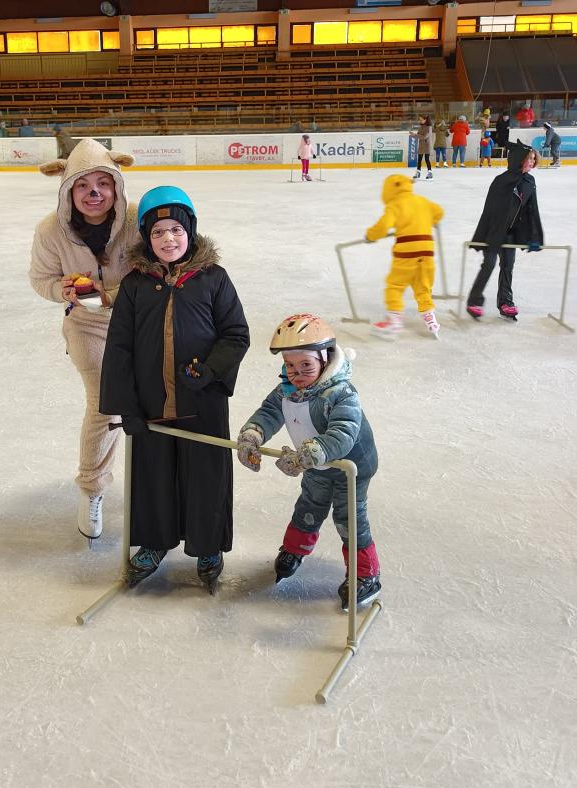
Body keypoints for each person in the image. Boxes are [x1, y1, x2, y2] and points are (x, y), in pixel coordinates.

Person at [99, 186, 250, 592]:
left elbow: (236, 334)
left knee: (206, 475)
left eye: (176, 230)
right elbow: (119, 348)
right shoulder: (135, 285)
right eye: (158, 232)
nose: (168, 239)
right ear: (146, 238)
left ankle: (208, 546)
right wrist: (125, 406)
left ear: (191, 231)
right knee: (153, 474)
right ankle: (154, 541)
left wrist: (211, 371)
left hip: (203, 401)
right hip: (150, 403)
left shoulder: (213, 279)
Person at [29, 138, 139, 541]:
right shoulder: (50, 230)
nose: (94, 193)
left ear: (116, 185)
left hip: (138, 320)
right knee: (105, 401)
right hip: (86, 323)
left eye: (103, 183)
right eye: (83, 185)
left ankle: (157, 482)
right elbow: (40, 279)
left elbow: (159, 264)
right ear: (68, 189)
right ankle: (92, 489)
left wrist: (114, 295)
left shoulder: (135, 219)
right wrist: (61, 290)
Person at [236, 314, 381, 611]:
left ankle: (366, 574)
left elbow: (343, 434)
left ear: (324, 360)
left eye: (306, 365)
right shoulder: (287, 391)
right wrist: (253, 434)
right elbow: (269, 412)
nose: (297, 373)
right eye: (290, 365)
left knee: (348, 519)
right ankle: (295, 549)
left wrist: (307, 456)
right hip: (314, 464)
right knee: (308, 507)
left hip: (349, 468)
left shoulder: (341, 394)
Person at [466, 140, 543, 322]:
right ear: (518, 159)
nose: (532, 162)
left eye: (534, 159)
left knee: (507, 266)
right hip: (493, 231)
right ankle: (474, 301)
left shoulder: (529, 181)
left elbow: (532, 209)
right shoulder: (501, 181)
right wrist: (485, 233)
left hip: (510, 233)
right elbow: (489, 210)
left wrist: (534, 235)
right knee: (489, 264)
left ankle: (505, 302)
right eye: (529, 158)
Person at [364, 173, 445, 338]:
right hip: (427, 251)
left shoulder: (395, 205)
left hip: (406, 252)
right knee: (423, 286)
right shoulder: (422, 201)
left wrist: (370, 236)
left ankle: (394, 321)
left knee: (395, 285)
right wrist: (429, 221)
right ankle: (430, 318)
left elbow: (383, 226)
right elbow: (439, 212)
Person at [412, 114, 433, 180]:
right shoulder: (420, 127)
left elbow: (424, 137)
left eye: (421, 120)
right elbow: (418, 135)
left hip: (426, 145)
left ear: (425, 120)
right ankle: (418, 172)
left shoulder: (429, 127)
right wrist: (413, 135)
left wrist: (415, 135)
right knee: (419, 160)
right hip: (421, 145)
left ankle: (430, 173)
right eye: (420, 120)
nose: (420, 121)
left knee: (427, 159)